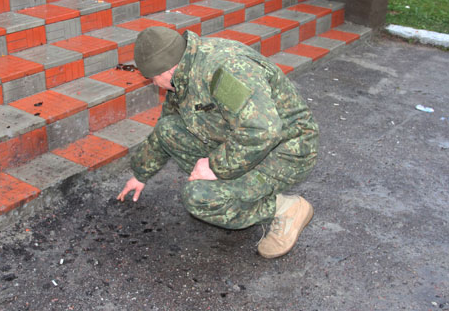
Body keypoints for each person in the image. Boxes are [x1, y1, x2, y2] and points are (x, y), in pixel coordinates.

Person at [117, 26, 319, 258]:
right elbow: (167, 125)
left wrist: (215, 165)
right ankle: (242, 188)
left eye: (151, 77)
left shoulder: (221, 71)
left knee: (200, 197)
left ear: (165, 70)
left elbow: (264, 130)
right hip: (250, 141)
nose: (153, 84)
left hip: (288, 150)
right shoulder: (184, 72)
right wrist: (140, 173)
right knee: (169, 129)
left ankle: (284, 208)